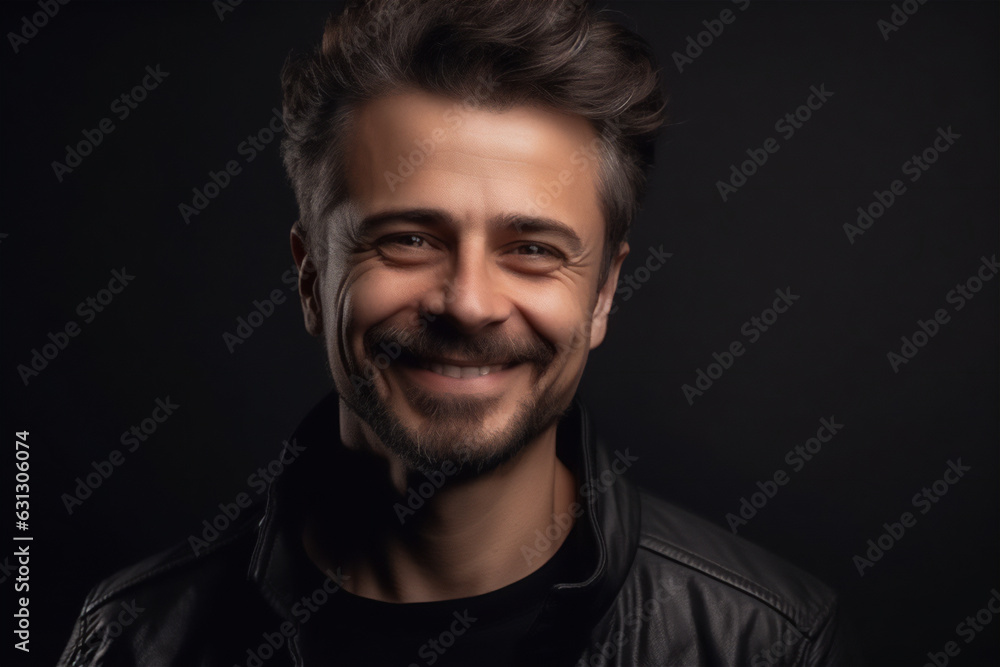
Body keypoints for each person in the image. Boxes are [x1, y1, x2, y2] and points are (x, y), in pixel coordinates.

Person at [58, 1, 861, 664]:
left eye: (533, 249)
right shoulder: (136, 640)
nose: (470, 303)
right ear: (311, 276)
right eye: (408, 237)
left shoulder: (766, 643)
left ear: (605, 290)